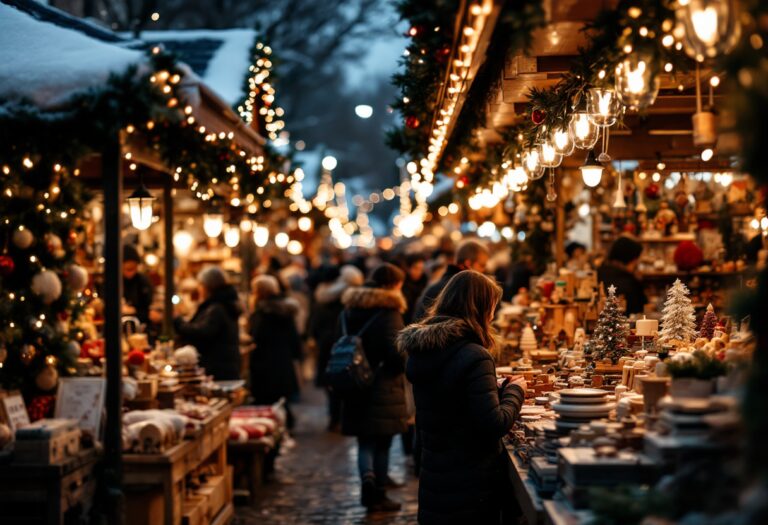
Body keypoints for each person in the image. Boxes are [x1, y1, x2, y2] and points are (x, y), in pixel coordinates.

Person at [399, 271, 526, 524]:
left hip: (437, 473)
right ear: (478, 307)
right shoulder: (475, 355)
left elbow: (450, 399)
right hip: (471, 480)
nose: (492, 314)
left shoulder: (425, 351)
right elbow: (494, 423)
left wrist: (493, 388)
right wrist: (515, 391)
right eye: (491, 307)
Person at [338, 263, 409, 512]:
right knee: (383, 442)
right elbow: (396, 356)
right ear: (392, 285)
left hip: (354, 382)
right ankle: (378, 494)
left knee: (365, 442)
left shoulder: (349, 308)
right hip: (382, 385)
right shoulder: (389, 312)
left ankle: (367, 478)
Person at [310, 264, 364, 431]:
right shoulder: (349, 298)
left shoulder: (322, 295)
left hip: (326, 344)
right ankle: (340, 416)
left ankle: (334, 417)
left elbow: (314, 322)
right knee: (345, 379)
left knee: (331, 381)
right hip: (343, 344)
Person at [248, 275, 302, 429]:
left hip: (265, 361)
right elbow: (293, 337)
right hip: (282, 359)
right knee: (279, 397)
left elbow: (257, 335)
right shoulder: (284, 309)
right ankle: (285, 426)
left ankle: (278, 429)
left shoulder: (263, 311)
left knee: (268, 398)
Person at [175, 267, 241, 380]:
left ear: (208, 286)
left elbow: (203, 332)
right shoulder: (223, 304)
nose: (199, 288)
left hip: (216, 368)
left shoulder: (216, 308)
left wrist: (178, 322)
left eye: (201, 284)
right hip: (223, 365)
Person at [412, 239, 489, 321]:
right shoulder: (458, 290)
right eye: (482, 265)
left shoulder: (448, 284)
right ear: (468, 264)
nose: (484, 271)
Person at [597, 236, 647, 315]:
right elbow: (641, 307)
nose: (637, 263)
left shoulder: (600, 271)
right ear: (629, 259)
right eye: (636, 259)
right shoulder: (629, 282)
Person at [122, 244, 154, 325]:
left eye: (134, 268)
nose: (132, 272)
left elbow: (148, 308)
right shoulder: (115, 282)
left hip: (140, 324)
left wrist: (134, 310)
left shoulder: (143, 281)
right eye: (129, 269)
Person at [401, 254, 427, 324]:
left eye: (421, 269)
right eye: (416, 268)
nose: (419, 272)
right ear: (408, 268)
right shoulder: (401, 284)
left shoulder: (425, 283)